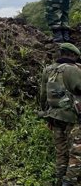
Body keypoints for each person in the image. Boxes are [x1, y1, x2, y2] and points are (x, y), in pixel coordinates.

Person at [39, 42, 81, 186]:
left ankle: (59, 180)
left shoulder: (48, 70)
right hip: (73, 118)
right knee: (77, 153)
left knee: (61, 152)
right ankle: (68, 183)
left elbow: (43, 96)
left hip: (54, 117)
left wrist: (46, 115)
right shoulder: (74, 70)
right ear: (73, 55)